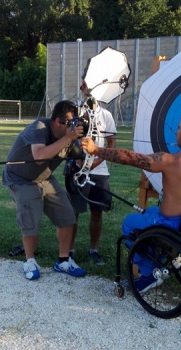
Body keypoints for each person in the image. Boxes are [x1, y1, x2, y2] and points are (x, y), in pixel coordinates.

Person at [80, 113, 181, 290]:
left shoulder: (170, 160)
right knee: (150, 211)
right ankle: (166, 256)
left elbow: (128, 157)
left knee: (129, 223)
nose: (176, 133)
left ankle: (150, 272)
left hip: (172, 227)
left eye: (180, 129)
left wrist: (96, 150)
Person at [2, 100, 87, 280]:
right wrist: (68, 138)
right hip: (21, 179)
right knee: (31, 218)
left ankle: (63, 261)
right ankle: (30, 261)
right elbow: (39, 156)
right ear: (58, 121)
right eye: (71, 123)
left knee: (67, 215)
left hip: (44, 177)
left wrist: (88, 149)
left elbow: (81, 157)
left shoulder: (69, 137)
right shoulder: (39, 128)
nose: (74, 127)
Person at [66, 88, 117, 266]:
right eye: (85, 85)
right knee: (74, 212)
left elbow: (111, 143)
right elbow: (68, 138)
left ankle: (93, 250)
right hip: (77, 169)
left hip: (99, 171)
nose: (88, 89)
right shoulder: (75, 112)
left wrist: (97, 161)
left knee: (97, 212)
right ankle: (69, 250)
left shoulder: (106, 115)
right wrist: (79, 161)